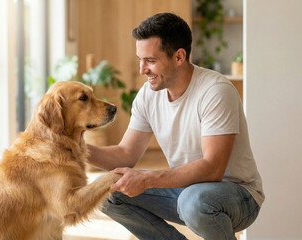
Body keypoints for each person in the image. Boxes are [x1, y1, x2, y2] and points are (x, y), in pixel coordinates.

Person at [88, 12, 265, 240]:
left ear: (179, 57)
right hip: (185, 191)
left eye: (150, 61)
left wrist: (147, 179)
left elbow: (213, 168)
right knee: (104, 190)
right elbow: (126, 154)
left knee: (194, 201)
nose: (142, 70)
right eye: (140, 60)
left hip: (238, 195)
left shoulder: (215, 91)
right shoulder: (147, 95)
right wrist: (75, 150)